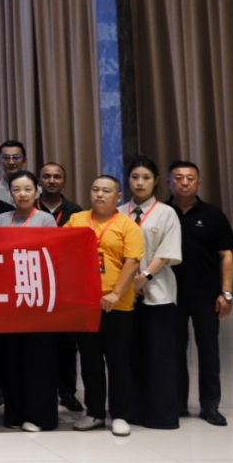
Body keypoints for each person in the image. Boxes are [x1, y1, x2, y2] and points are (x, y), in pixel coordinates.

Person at [68, 175, 143, 436]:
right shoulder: (77, 219)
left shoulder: (127, 225)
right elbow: (61, 249)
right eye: (95, 189)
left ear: (118, 197)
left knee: (118, 361)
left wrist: (116, 293)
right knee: (90, 362)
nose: (100, 194)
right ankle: (95, 413)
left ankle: (120, 414)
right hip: (86, 304)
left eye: (106, 191)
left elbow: (132, 262)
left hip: (117, 305)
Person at [168, 160, 233, 426]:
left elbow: (226, 256)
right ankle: (177, 404)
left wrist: (226, 293)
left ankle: (210, 405)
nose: (184, 182)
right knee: (174, 351)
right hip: (170, 294)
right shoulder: (162, 212)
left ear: (198, 182)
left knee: (209, 351)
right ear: (169, 182)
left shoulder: (213, 214)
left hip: (206, 295)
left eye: (190, 178)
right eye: (178, 177)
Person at [0, 170, 60, 433]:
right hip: (8, 299)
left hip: (37, 297)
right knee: (12, 359)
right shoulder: (1, 219)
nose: (22, 194)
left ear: (37, 192)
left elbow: (52, 256)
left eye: (27, 189)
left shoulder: (45, 219)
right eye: (17, 190)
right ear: (10, 193)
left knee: (38, 359)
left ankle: (38, 416)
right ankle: (15, 412)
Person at [122, 156, 183, 430]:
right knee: (129, 356)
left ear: (156, 181)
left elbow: (167, 252)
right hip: (123, 295)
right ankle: (130, 411)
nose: (140, 182)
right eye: (135, 177)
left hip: (158, 294)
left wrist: (141, 278)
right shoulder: (118, 212)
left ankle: (160, 415)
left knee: (159, 357)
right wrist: (127, 284)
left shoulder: (166, 213)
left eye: (146, 177)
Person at [37, 162, 86, 412]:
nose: (51, 180)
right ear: (39, 181)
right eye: (46, 176)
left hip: (66, 284)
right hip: (36, 282)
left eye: (57, 177)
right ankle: (42, 388)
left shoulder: (76, 212)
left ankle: (67, 391)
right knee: (41, 341)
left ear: (64, 182)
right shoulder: (29, 208)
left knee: (67, 342)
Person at [0, 140, 30, 205]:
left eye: (16, 157)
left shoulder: (36, 191)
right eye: (6, 158)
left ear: (24, 161)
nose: (11, 162)